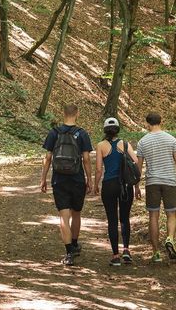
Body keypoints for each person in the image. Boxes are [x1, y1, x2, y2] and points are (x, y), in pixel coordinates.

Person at [40, 104, 93, 266]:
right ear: (77, 114)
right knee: (76, 213)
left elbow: (48, 157)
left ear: (63, 113)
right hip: (77, 180)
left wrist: (43, 178)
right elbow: (86, 159)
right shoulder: (82, 134)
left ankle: (69, 252)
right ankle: (75, 244)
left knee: (64, 216)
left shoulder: (54, 133)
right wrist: (89, 179)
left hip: (59, 180)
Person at [135, 112, 176, 263]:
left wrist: (136, 185)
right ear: (161, 122)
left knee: (153, 216)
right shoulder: (171, 139)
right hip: (170, 181)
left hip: (152, 182)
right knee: (171, 214)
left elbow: (139, 165)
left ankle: (156, 252)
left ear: (147, 124)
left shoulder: (143, 142)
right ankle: (170, 239)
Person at [94, 117, 139, 266]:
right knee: (125, 218)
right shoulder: (125, 144)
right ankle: (126, 250)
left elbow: (99, 169)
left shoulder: (101, 145)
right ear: (118, 129)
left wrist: (95, 185)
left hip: (109, 185)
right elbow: (136, 162)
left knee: (112, 219)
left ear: (105, 130)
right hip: (125, 185)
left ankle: (115, 255)